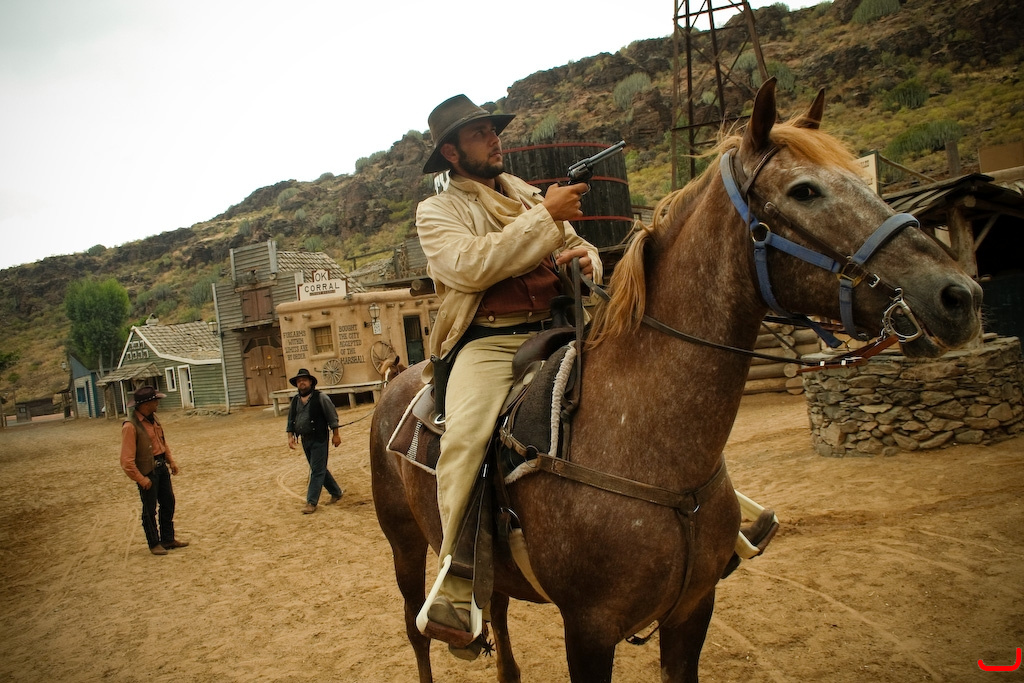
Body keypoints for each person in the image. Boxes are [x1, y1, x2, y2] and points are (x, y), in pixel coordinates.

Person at [415, 94, 602, 653]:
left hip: (561, 323)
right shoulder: (438, 212)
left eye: (493, 130)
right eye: (479, 134)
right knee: (465, 442)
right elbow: (472, 266)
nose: (495, 139)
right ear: (452, 153)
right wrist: (547, 217)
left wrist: (586, 260)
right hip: (492, 342)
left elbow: (578, 244)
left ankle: (717, 512)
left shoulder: (524, 192)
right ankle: (459, 579)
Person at [119, 385, 189, 556]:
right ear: (145, 404)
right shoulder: (130, 426)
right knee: (149, 510)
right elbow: (126, 461)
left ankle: (168, 539)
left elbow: (162, 442)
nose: (158, 403)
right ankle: (154, 543)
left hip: (161, 466)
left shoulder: (153, 419)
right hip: (147, 471)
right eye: (155, 401)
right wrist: (141, 479)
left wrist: (170, 461)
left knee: (168, 502)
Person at [285, 368, 344, 514]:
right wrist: (290, 436)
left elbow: (332, 417)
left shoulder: (321, 398)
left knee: (317, 470)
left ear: (311, 382)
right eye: (299, 381)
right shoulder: (295, 401)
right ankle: (336, 492)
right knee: (319, 468)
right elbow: (291, 420)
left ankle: (311, 502)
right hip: (305, 440)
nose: (302, 383)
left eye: (304, 380)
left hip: (319, 438)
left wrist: (336, 434)